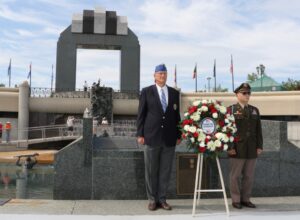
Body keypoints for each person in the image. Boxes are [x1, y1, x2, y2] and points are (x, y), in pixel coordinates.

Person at [136, 64, 181, 211]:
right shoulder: (147, 91)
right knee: (150, 170)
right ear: (154, 75)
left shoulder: (174, 93)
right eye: (160, 73)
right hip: (151, 136)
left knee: (165, 170)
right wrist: (140, 134)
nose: (162, 76)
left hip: (169, 138)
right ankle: (152, 200)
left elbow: (176, 116)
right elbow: (141, 114)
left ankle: (162, 199)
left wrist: (179, 134)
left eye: (164, 73)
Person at [227, 83, 263, 209]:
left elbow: (258, 130)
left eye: (249, 93)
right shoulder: (230, 110)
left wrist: (259, 146)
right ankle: (236, 200)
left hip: (252, 148)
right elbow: (227, 131)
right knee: (235, 176)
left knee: (249, 176)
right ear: (237, 95)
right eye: (244, 93)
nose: (247, 95)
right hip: (237, 148)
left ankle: (246, 199)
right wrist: (230, 147)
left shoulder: (254, 110)